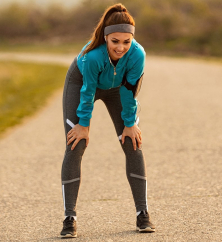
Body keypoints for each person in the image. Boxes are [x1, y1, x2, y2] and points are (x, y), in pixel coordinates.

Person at [60, 3, 155, 238]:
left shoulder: (138, 55)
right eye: (115, 42)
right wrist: (83, 125)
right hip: (82, 82)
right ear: (106, 37)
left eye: (126, 41)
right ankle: (69, 217)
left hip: (117, 90)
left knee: (132, 142)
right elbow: (88, 91)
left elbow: (129, 91)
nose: (121, 47)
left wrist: (130, 123)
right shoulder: (92, 57)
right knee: (76, 144)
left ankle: (143, 213)